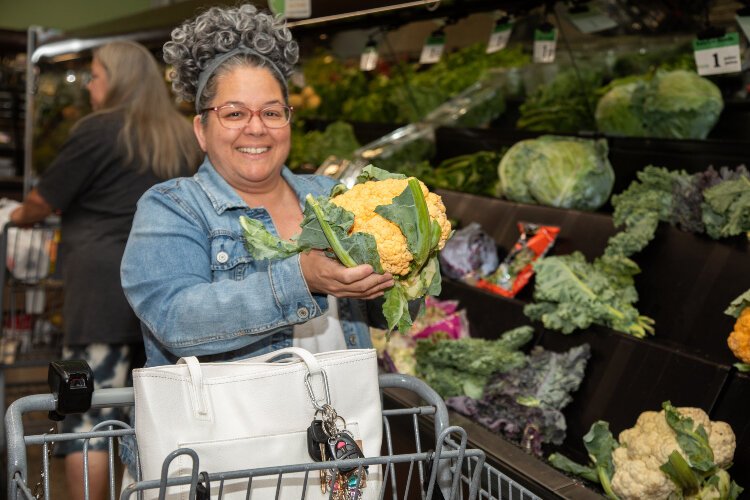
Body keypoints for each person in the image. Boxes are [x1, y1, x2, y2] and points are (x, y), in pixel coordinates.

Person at [120, 3, 394, 371]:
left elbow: (383, 314)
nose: (256, 128)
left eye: (271, 112)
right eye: (234, 113)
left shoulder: (332, 198)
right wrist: (301, 278)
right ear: (201, 130)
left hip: (345, 418)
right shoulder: (172, 207)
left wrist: (406, 265)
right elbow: (175, 318)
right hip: (228, 426)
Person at [10, 40, 201, 500]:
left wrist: (13, 216)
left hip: (100, 290)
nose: (91, 87)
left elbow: (44, 200)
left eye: (95, 76)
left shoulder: (99, 130)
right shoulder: (182, 133)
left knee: (88, 418)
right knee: (160, 415)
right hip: (170, 291)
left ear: (115, 80)